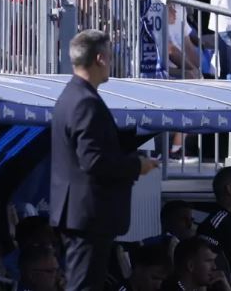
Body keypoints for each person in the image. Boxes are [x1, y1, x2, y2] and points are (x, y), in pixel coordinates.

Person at [50, 30, 160, 291]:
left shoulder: (73, 96)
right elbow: (93, 161)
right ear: (99, 58)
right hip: (88, 214)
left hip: (82, 214)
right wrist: (138, 166)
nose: (111, 62)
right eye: (109, 56)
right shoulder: (85, 102)